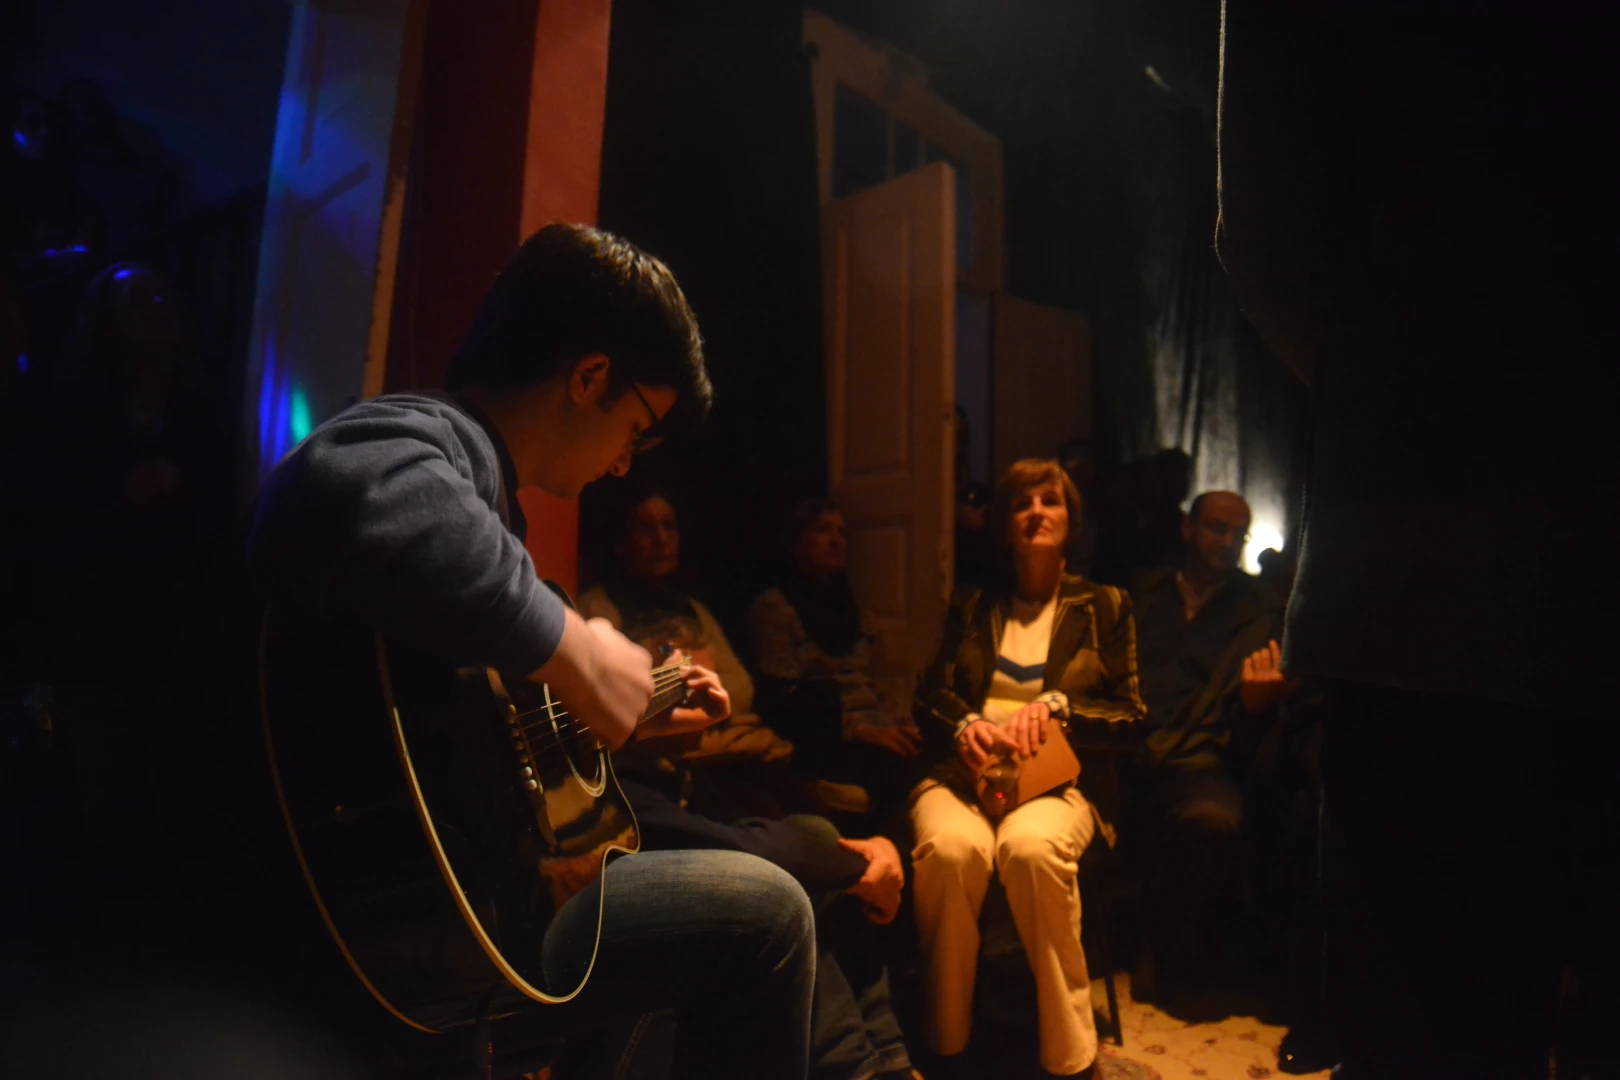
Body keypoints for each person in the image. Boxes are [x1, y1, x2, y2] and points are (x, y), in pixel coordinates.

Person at [244, 224, 816, 1078]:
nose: (624, 464)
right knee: (769, 915)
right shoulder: (435, 435)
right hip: (356, 919)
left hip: (450, 914)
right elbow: (345, 484)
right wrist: (580, 652)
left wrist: (621, 714)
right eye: (637, 426)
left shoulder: (492, 509)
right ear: (588, 377)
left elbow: (466, 732)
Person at [1217, 5, 1618, 1076]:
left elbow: (1270, 239)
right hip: (1449, 580)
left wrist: (1415, 396)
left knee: (1430, 1031)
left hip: (1422, 572)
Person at [909, 458, 1146, 1079]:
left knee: (1031, 850)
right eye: (1022, 503)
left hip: (1058, 785)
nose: (1037, 512)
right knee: (950, 852)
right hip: (966, 778)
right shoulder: (973, 604)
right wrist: (964, 722)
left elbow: (1132, 716)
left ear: (1071, 521)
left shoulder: (1105, 605)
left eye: (1050, 501)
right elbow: (928, 695)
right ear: (1006, 527)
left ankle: (1070, 1058)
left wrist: (1060, 708)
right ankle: (948, 1044)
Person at [602, 692, 919, 1080]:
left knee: (810, 839)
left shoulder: (681, 773)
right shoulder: (610, 780)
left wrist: (871, 855)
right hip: (630, 966)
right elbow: (727, 848)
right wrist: (866, 864)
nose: (704, 685)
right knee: (775, 891)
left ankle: (888, 1061)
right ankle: (856, 1069)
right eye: (670, 670)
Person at [579, 483, 869, 818]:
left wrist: (685, 679)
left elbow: (740, 688)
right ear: (621, 543)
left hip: (735, 747)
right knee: (781, 819)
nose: (661, 539)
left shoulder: (692, 608)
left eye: (669, 527)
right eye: (646, 529)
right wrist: (693, 675)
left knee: (817, 808)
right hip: (671, 759)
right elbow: (621, 700)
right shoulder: (600, 608)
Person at [1126, 490, 1289, 1003]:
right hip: (1124, 751)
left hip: (1200, 758)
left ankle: (1166, 940)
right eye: (1217, 528)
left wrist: (1256, 704)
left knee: (1213, 822)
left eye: (1237, 534)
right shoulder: (1139, 596)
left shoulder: (1259, 613)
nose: (1227, 542)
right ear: (1188, 529)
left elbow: (1254, 731)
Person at [748, 497, 927, 820]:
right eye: (823, 530)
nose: (836, 541)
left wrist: (900, 721)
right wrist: (860, 730)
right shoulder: (775, 608)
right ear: (798, 542)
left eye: (842, 533)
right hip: (826, 739)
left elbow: (880, 678)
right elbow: (785, 702)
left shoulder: (855, 608)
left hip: (874, 726)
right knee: (894, 775)